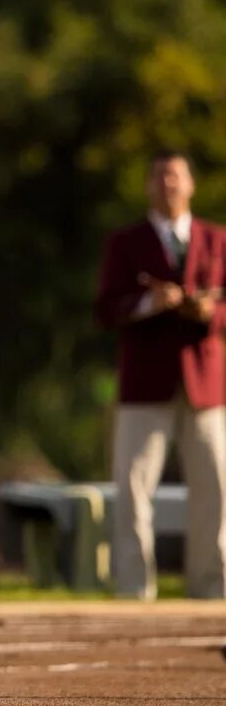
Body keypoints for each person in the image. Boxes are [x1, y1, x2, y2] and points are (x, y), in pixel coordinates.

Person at [95, 150, 226, 600]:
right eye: (158, 176)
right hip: (145, 383)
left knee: (216, 488)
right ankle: (134, 589)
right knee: (133, 487)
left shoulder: (216, 239)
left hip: (205, 385)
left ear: (190, 183)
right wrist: (149, 305)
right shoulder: (126, 242)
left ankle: (211, 588)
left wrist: (206, 311)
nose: (167, 184)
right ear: (149, 185)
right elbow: (105, 308)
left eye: (174, 176)